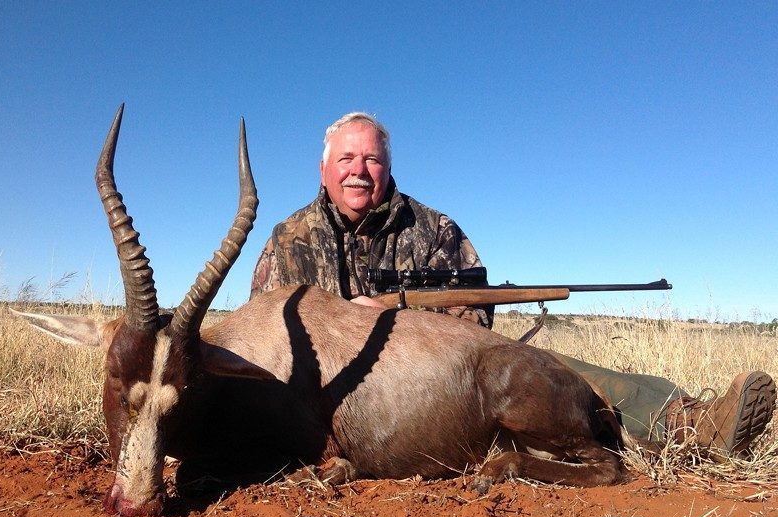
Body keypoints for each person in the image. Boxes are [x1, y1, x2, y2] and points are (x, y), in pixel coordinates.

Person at [251, 111, 776, 455]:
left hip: (424, 377)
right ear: (324, 169)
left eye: (371, 159)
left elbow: (475, 318)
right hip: (324, 401)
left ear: (387, 168)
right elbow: (261, 338)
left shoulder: (434, 228)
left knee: (535, 370)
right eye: (346, 159)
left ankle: (689, 421)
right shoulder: (287, 239)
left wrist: (394, 318)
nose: (359, 170)